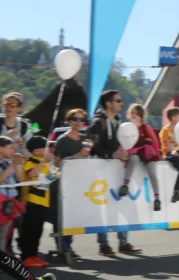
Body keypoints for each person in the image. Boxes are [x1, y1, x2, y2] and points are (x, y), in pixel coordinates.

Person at [87, 89, 140, 256]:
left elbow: (120, 143)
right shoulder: (98, 122)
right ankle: (103, 244)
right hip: (100, 171)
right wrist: (112, 154)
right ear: (108, 103)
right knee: (103, 206)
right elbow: (93, 148)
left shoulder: (117, 121)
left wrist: (122, 153)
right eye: (118, 101)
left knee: (121, 204)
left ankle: (123, 241)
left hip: (116, 169)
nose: (121, 103)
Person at [51, 109, 91, 258]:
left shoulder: (84, 139)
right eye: (74, 119)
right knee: (62, 216)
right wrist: (77, 155)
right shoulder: (63, 140)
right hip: (64, 184)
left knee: (73, 216)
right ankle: (63, 247)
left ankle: (68, 246)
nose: (78, 122)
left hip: (79, 184)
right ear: (68, 121)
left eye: (81, 120)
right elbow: (57, 163)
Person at [119, 104, 162, 210]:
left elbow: (155, 142)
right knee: (133, 159)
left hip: (146, 152)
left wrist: (154, 152)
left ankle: (157, 198)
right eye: (132, 112)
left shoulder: (146, 127)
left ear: (141, 115)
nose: (134, 115)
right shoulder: (126, 127)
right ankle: (125, 185)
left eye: (137, 113)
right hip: (134, 152)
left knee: (152, 173)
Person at [18, 136, 53, 267]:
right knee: (30, 230)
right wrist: (43, 161)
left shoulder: (43, 163)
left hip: (43, 201)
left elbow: (45, 178)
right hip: (32, 201)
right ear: (37, 150)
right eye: (45, 147)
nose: (48, 150)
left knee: (37, 230)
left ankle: (33, 255)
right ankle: (27, 256)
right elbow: (32, 174)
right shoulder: (31, 160)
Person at [0, 136, 26, 253]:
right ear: (1, 148)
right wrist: (11, 166)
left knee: (3, 234)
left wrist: (16, 165)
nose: (13, 151)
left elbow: (20, 179)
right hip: (1, 202)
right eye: (11, 148)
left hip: (8, 203)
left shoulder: (8, 162)